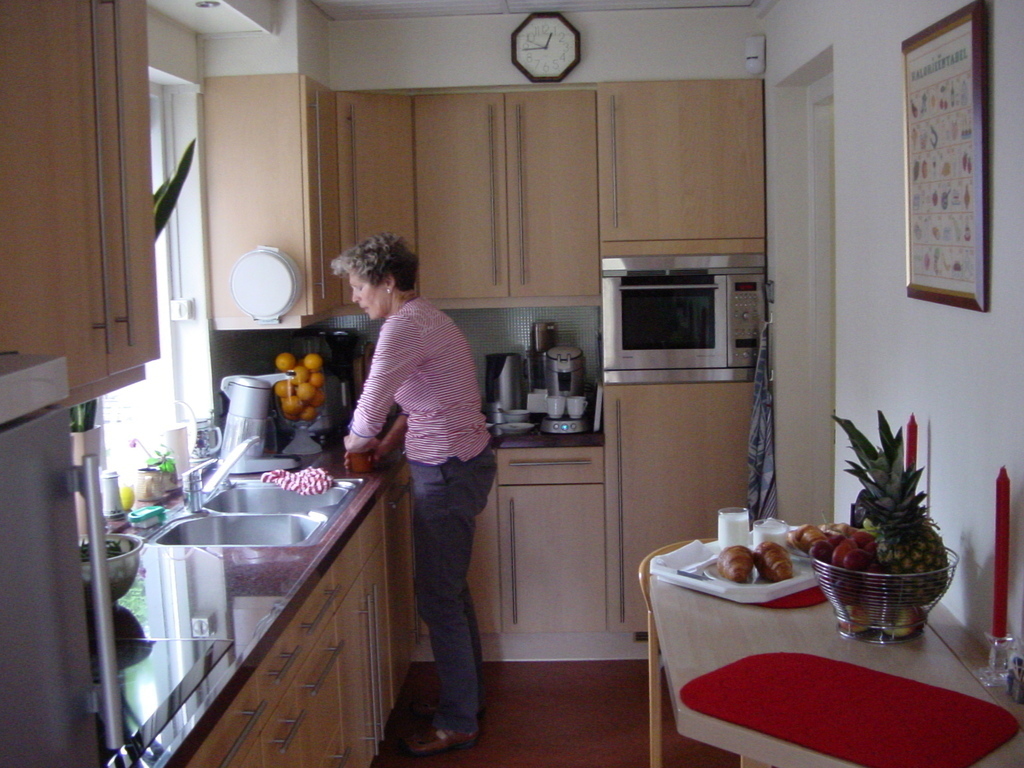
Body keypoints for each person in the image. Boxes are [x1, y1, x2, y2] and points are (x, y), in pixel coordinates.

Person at [331, 233, 496, 757]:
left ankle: (457, 723)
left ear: (388, 281)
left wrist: (357, 442)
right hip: (457, 463)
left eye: (360, 287)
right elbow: (415, 406)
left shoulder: (402, 327)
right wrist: (384, 443)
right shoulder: (428, 317)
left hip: (446, 470)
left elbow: (372, 401)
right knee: (450, 592)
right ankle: (466, 700)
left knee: (438, 597)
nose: (356, 297)